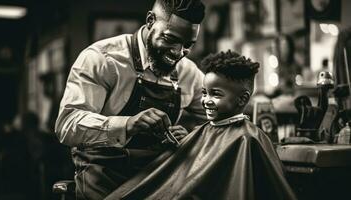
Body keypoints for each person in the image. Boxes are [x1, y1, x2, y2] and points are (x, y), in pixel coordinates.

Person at [55, 0, 206, 199]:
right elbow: (67, 125)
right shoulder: (102, 59)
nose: (178, 53)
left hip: (159, 175)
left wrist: (191, 138)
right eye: (170, 39)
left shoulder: (189, 73)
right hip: (105, 176)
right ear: (150, 20)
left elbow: (219, 119)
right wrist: (126, 124)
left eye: (187, 45)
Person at [106, 50, 297, 200]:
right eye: (204, 92)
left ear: (243, 99)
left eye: (216, 94)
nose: (205, 100)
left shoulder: (247, 140)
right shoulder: (204, 131)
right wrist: (187, 140)